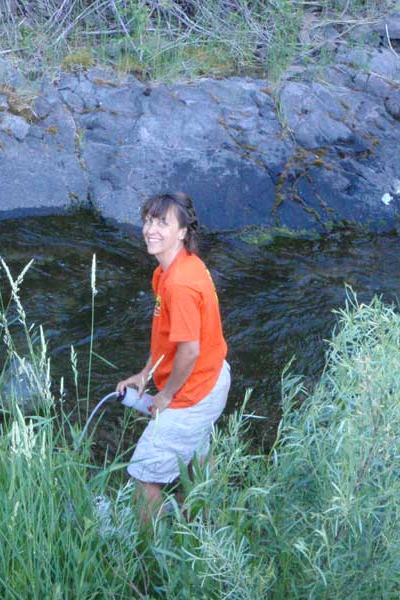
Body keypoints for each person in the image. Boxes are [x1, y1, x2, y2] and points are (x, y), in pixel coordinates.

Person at [116, 192, 230, 526]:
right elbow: (169, 336)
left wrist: (166, 395)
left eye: (162, 222)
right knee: (197, 458)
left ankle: (145, 559)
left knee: (144, 478)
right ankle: (201, 526)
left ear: (182, 231)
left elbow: (189, 350)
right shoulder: (178, 268)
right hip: (214, 377)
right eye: (149, 220)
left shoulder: (179, 284)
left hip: (193, 393)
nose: (150, 229)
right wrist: (146, 373)